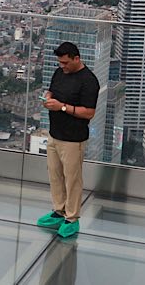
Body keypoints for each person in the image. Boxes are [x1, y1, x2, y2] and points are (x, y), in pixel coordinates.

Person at [36, 42, 99, 238]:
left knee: (72, 179)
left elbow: (89, 112)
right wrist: (47, 98)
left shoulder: (89, 81)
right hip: (55, 134)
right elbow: (51, 91)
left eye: (65, 62)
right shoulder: (59, 73)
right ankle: (58, 210)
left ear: (76, 58)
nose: (62, 66)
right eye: (60, 63)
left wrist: (62, 107)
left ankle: (72, 218)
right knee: (55, 175)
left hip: (73, 139)